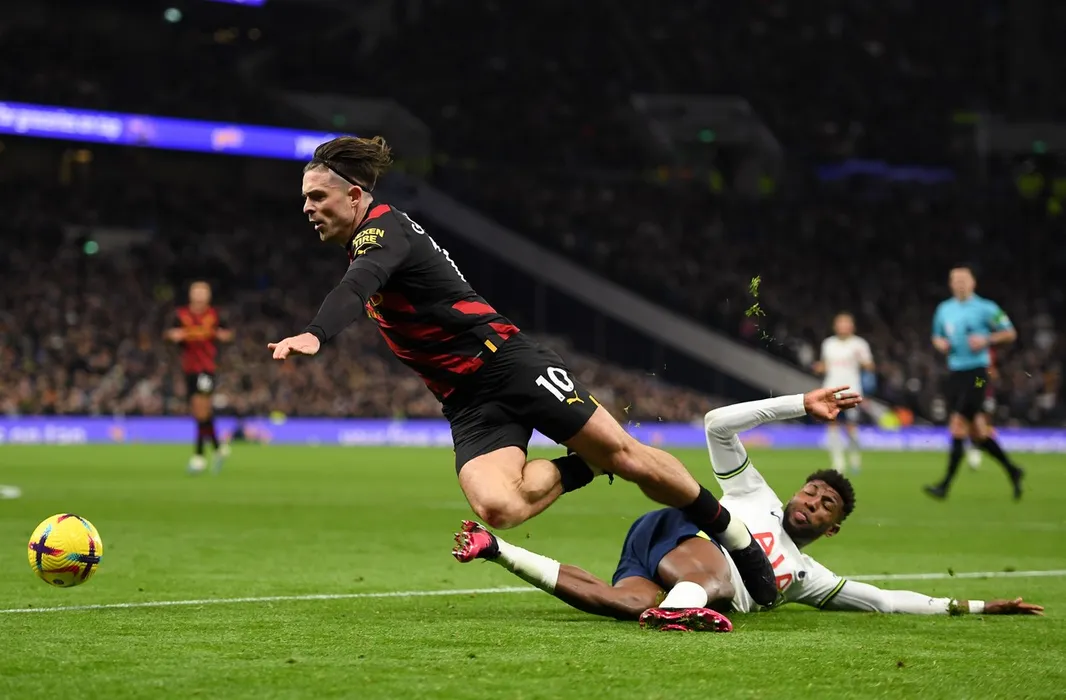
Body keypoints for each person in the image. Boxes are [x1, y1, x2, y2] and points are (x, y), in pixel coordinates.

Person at [267, 135, 779, 605]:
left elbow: (358, 283)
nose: (307, 208)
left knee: (630, 457)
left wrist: (316, 333)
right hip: (465, 400)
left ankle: (736, 538)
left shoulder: (384, 230)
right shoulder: (372, 239)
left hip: (507, 363)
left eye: (317, 197)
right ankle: (586, 464)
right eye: (305, 198)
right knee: (499, 509)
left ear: (355, 196)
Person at [453, 388, 1044, 631]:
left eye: (826, 505)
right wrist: (800, 403)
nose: (812, 502)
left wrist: (976, 606)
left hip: (658, 562)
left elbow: (887, 601)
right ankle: (680, 613)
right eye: (811, 491)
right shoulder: (753, 493)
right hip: (684, 534)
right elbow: (717, 424)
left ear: (833, 529)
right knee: (719, 569)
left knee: (621, 605)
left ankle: (496, 549)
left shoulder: (808, 577)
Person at [927, 267, 1022, 500]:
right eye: (955, 280)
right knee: (978, 432)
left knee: (958, 424)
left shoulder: (987, 308)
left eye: (964, 279)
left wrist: (987, 339)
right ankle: (1013, 470)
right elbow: (936, 335)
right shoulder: (944, 309)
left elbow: (1010, 333)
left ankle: (944, 485)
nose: (960, 283)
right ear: (950, 284)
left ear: (973, 283)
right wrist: (940, 344)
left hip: (979, 373)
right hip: (956, 374)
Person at [165, 281, 234, 474]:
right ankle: (218, 448)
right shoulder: (181, 315)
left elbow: (228, 334)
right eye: (197, 291)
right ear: (190, 294)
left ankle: (199, 456)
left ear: (209, 295)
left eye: (203, 292)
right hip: (189, 368)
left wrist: (223, 336)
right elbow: (168, 334)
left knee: (201, 409)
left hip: (207, 367)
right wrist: (173, 336)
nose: (200, 295)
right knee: (200, 412)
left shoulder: (215, 315)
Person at [812, 312, 874, 473]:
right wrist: (819, 367)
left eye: (846, 323)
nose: (843, 326)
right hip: (831, 389)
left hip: (851, 390)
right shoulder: (828, 344)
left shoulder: (859, 344)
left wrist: (862, 361)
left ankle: (855, 458)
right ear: (835, 326)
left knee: (851, 427)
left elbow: (870, 366)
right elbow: (825, 366)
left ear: (852, 326)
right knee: (832, 424)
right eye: (840, 323)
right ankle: (838, 462)